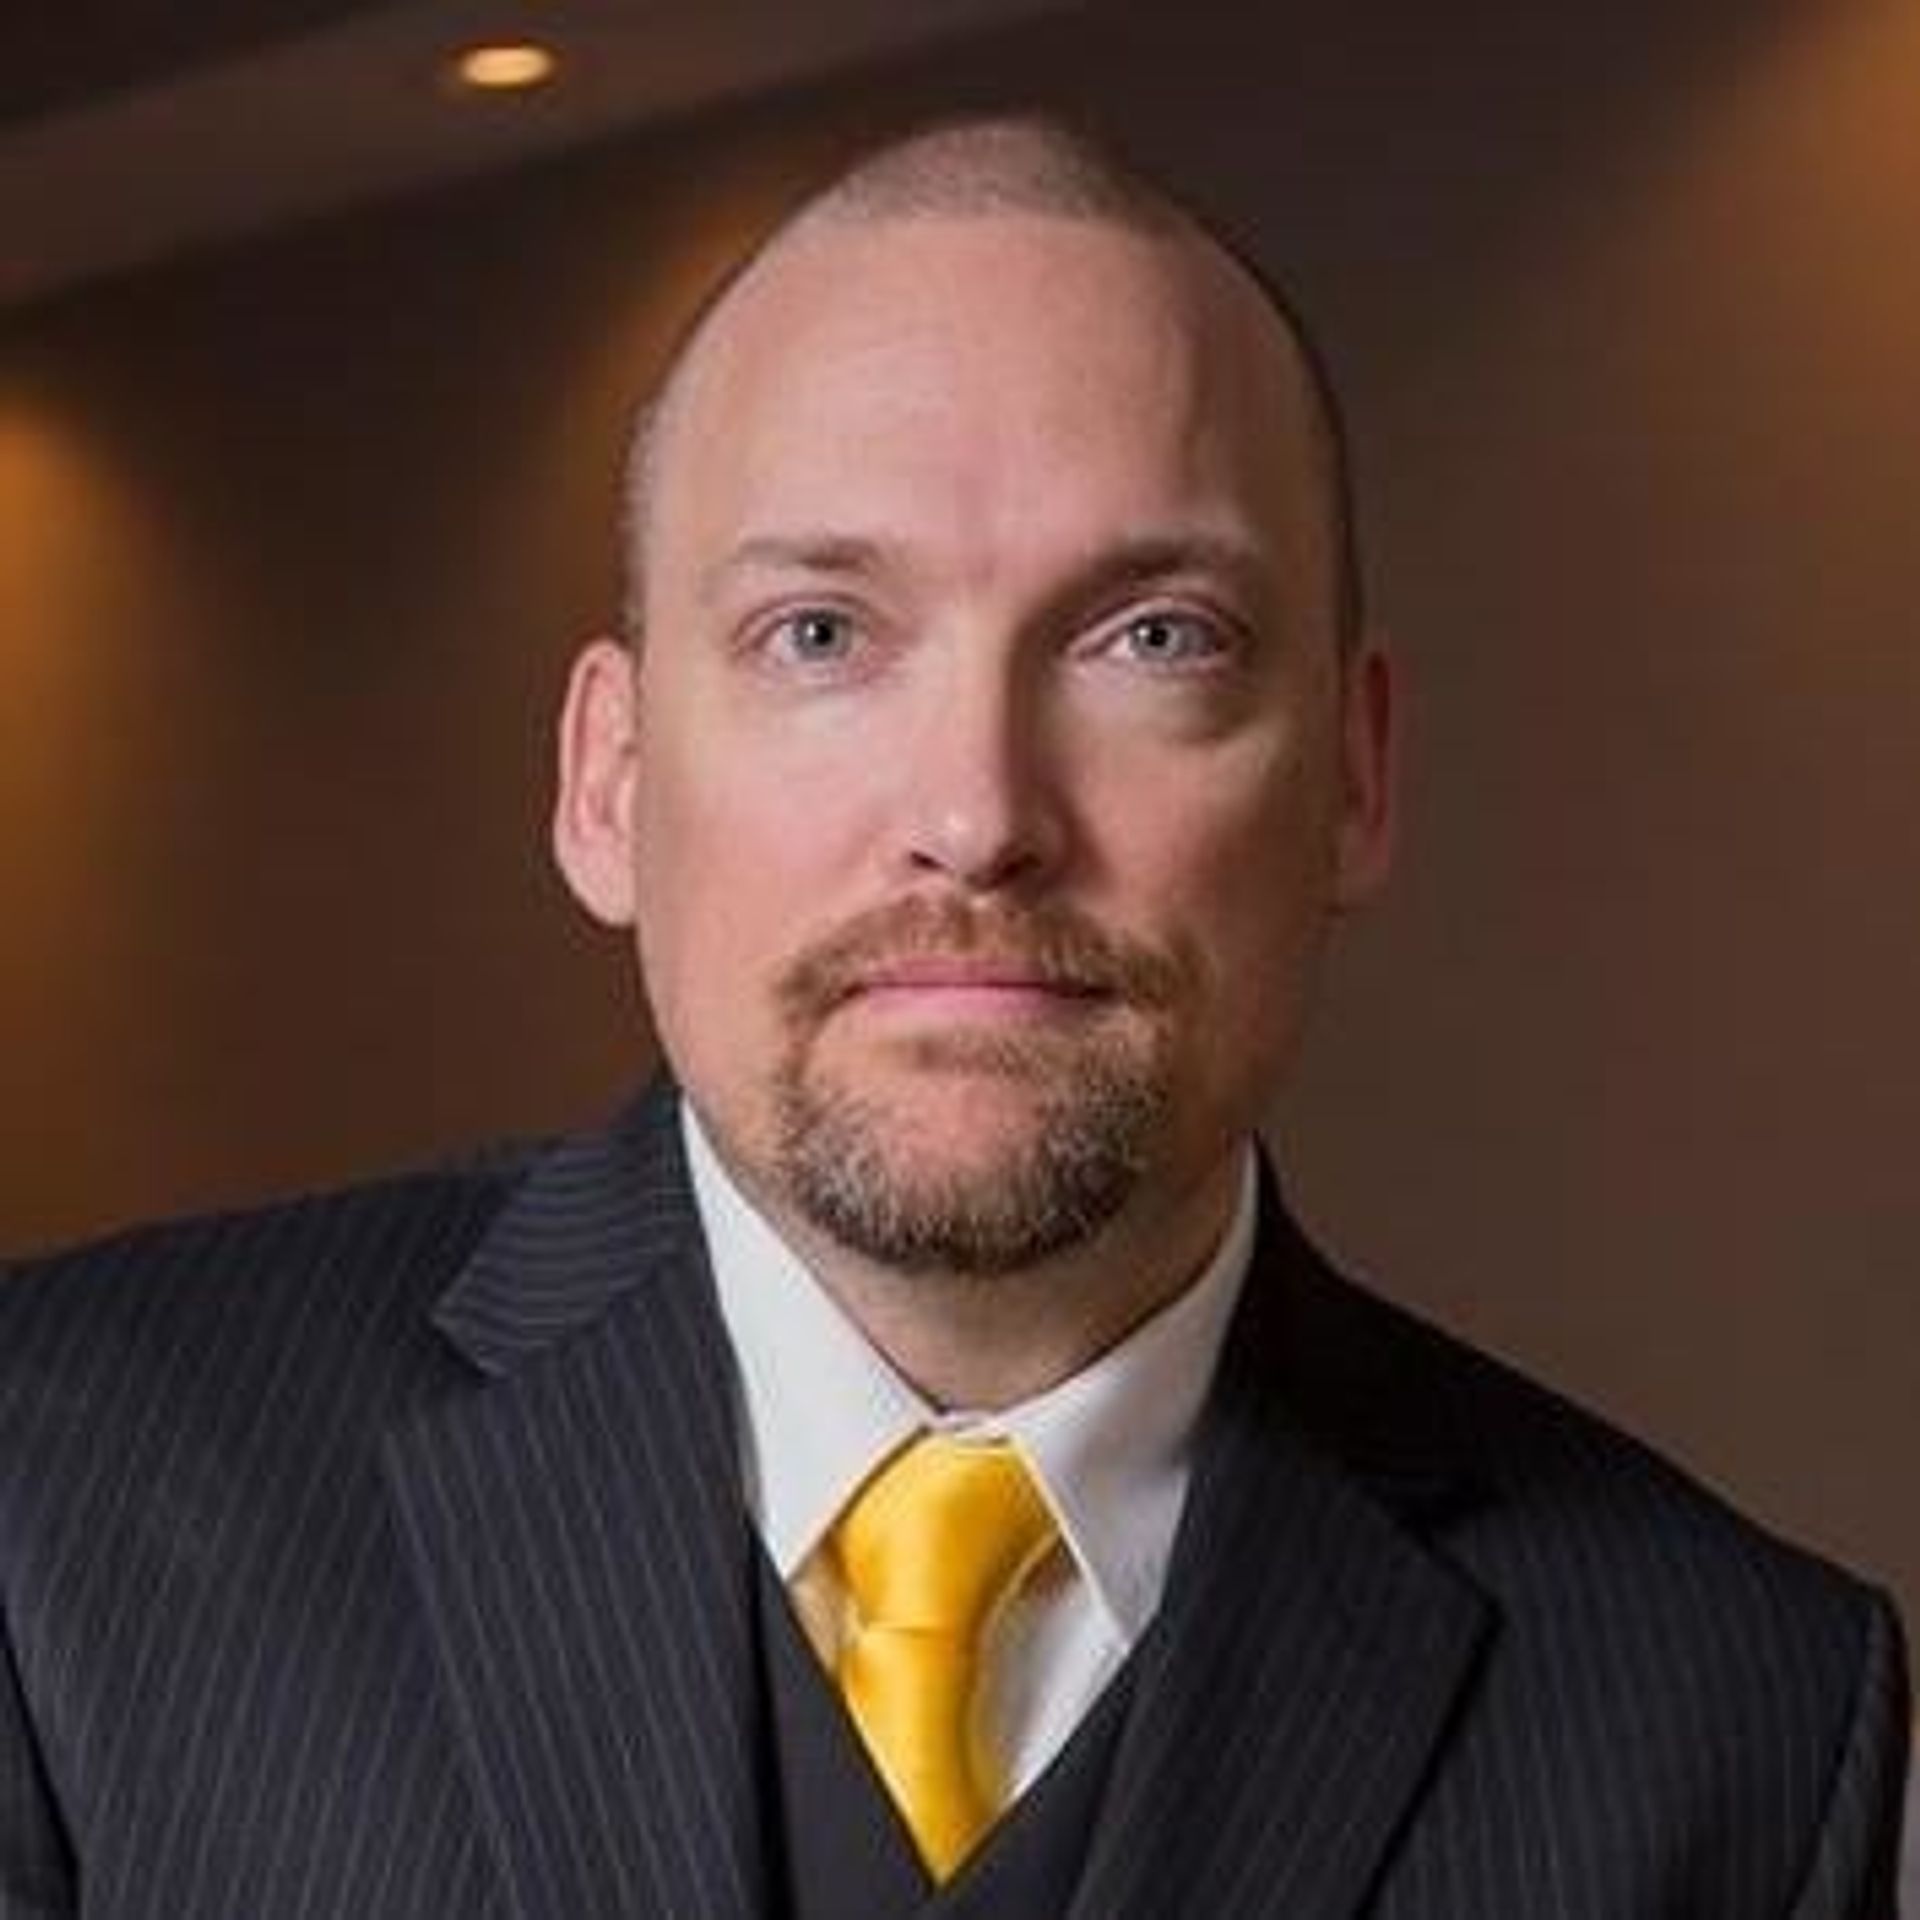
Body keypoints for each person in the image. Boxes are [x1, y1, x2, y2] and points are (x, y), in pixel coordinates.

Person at [0, 115, 1908, 1920]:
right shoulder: (53, 1484)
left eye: (1154, 638)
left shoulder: (1738, 1722)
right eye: (822, 633)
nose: (980, 814)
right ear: (607, 778)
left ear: (1353, 776)